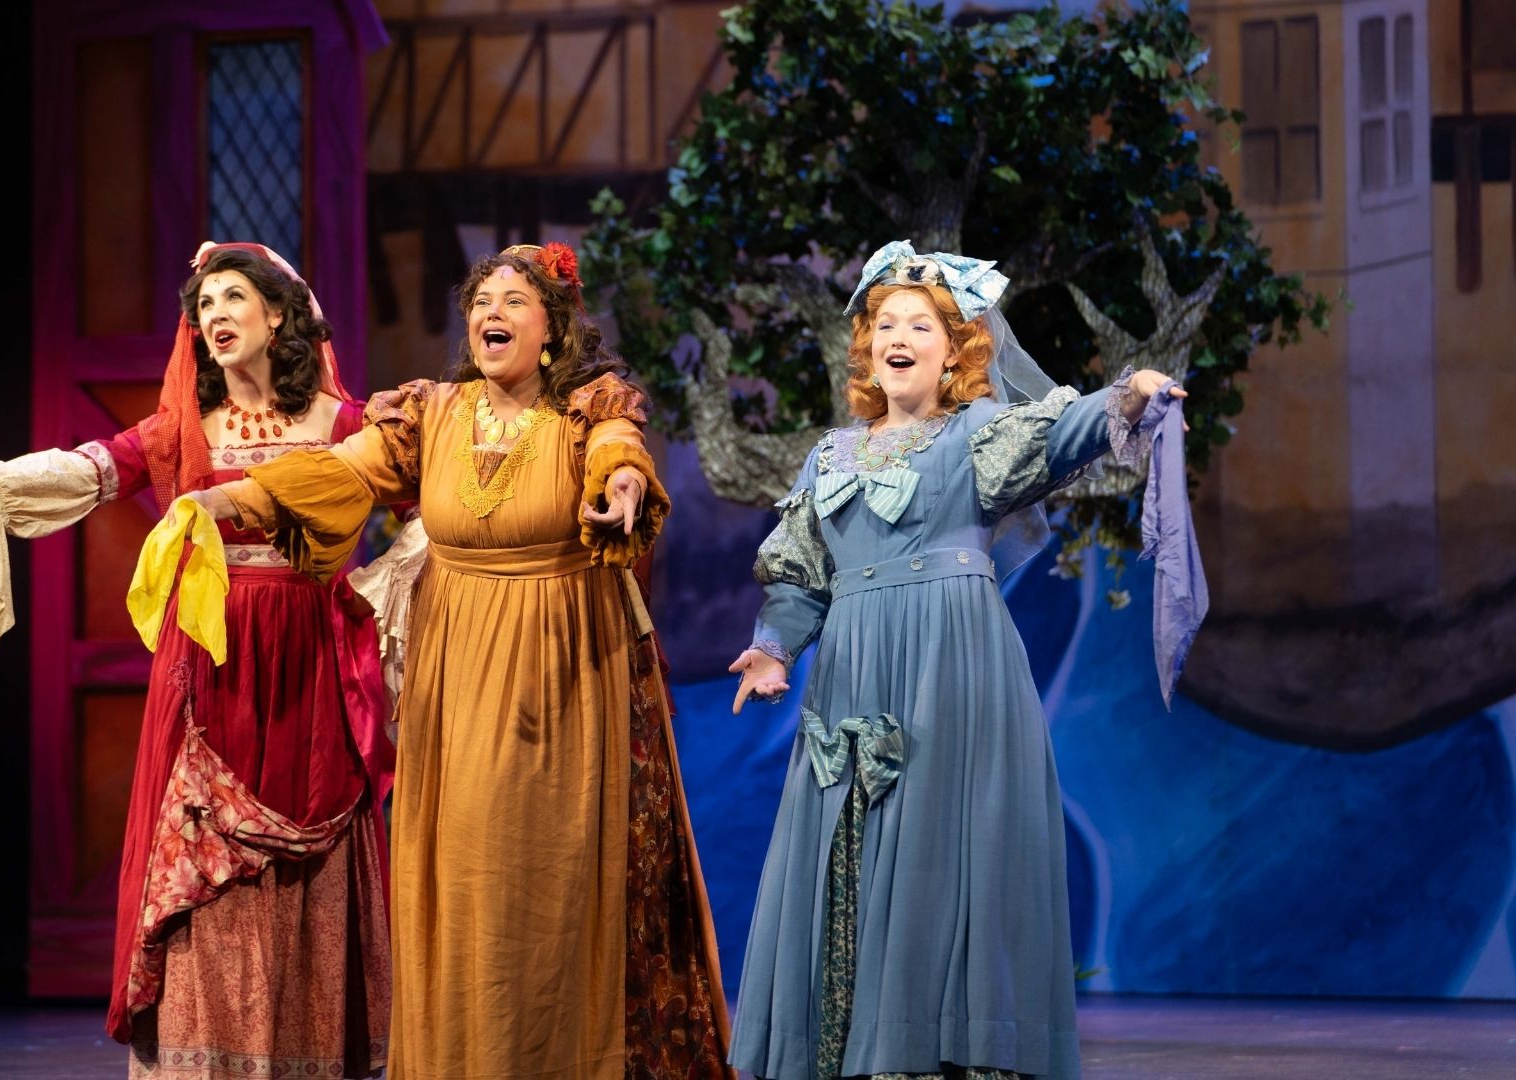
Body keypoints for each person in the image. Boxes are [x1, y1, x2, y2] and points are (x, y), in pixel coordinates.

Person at [184, 242, 732, 1078]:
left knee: (546, 870)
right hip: (455, 668)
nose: (491, 315)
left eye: (513, 301)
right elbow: (341, 470)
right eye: (480, 302)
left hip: (559, 664)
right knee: (462, 868)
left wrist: (621, 485)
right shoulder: (432, 414)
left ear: (552, 329)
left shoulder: (587, 407)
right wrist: (228, 498)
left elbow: (619, 450)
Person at [0, 243, 393, 1079]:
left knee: (314, 842)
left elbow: (426, 506)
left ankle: (309, 1049)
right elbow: (93, 468)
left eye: (233, 297)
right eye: (204, 306)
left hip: (311, 658)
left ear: (279, 313)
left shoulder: (346, 426)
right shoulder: (184, 431)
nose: (215, 316)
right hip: (214, 663)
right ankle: (207, 1056)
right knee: (208, 858)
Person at [726, 241, 1197, 1080]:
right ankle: (854, 1049)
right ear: (866, 348)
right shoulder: (829, 457)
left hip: (952, 666)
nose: (898, 337)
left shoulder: (978, 435)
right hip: (854, 671)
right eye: (885, 324)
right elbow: (799, 574)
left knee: (942, 848)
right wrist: (772, 649)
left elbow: (1063, 431)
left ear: (955, 352)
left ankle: (940, 1049)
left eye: (921, 325)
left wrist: (1132, 392)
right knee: (853, 843)